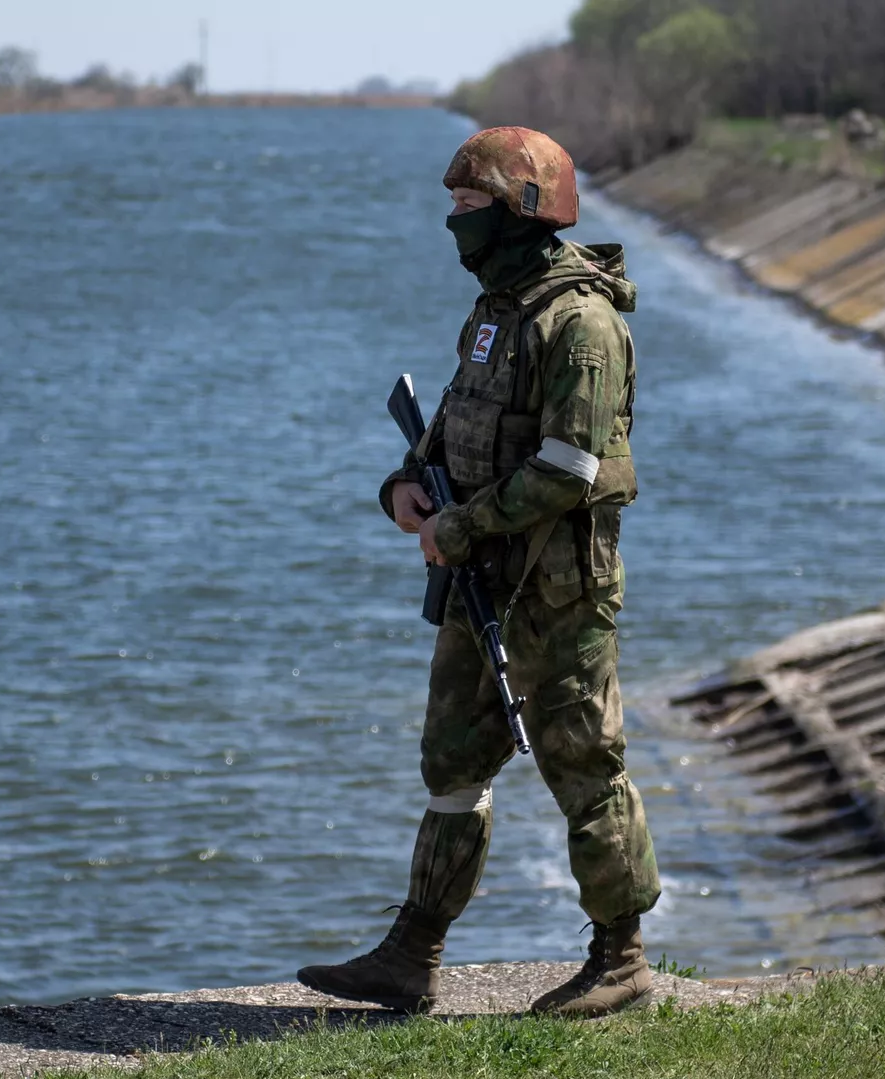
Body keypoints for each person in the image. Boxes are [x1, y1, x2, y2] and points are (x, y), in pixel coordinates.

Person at [296, 127, 661, 1019]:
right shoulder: (498, 308)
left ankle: (622, 959)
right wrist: (404, 488)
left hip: (558, 586)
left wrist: (460, 525)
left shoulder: (581, 324)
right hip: (482, 577)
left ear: (520, 212)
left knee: (584, 763)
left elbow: (570, 469)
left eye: (469, 207)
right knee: (453, 759)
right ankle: (411, 953)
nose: (454, 222)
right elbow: (460, 417)